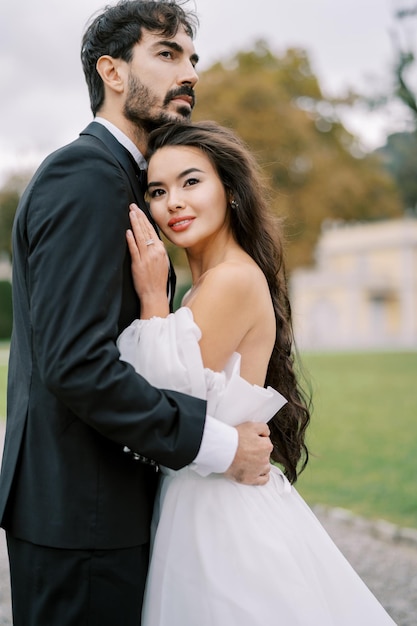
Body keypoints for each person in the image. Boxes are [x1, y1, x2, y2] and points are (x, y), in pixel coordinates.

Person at [0, 3, 273, 625]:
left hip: (100, 510)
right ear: (113, 72)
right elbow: (76, 365)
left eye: (193, 60)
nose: (190, 74)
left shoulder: (128, 178)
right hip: (83, 515)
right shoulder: (87, 176)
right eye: (168, 54)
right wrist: (218, 444)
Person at [118, 120, 398, 625]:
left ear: (231, 190)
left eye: (191, 182)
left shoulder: (232, 281)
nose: (173, 202)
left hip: (219, 515)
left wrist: (153, 295)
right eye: (158, 191)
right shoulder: (207, 286)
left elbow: (159, 397)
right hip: (201, 493)